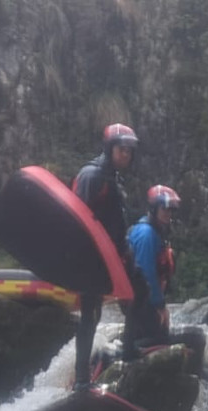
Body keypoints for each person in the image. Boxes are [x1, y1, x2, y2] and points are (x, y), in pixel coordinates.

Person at [70, 122, 137, 391]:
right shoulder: (92, 175)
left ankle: (130, 351)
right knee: (90, 315)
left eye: (130, 152)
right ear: (110, 149)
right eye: (123, 150)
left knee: (130, 301)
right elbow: (77, 217)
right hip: (92, 258)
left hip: (111, 257)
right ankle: (81, 380)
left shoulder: (113, 177)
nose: (127, 156)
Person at [122, 184, 206, 367]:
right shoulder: (146, 234)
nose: (168, 213)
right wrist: (160, 306)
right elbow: (146, 275)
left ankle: (128, 348)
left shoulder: (155, 231)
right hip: (141, 301)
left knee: (159, 334)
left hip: (141, 303)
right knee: (178, 338)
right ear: (154, 208)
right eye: (164, 209)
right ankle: (120, 353)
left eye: (170, 210)